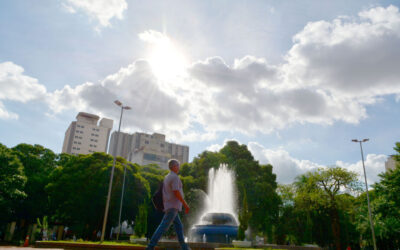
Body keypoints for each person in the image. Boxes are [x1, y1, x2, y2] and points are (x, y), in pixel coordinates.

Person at [146, 159, 190, 250]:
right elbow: (176, 192)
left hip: (170, 205)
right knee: (163, 226)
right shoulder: (175, 177)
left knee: (179, 226)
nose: (179, 167)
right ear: (173, 166)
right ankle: (150, 247)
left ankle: (184, 247)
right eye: (178, 165)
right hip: (173, 206)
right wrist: (185, 204)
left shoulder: (167, 177)